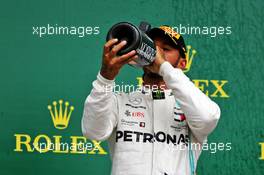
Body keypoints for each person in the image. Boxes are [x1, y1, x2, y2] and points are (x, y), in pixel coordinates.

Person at [82, 25, 221, 175]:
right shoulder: (120, 101)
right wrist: (105, 78)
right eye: (153, 47)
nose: (156, 53)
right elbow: (93, 132)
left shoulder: (191, 106)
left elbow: (208, 118)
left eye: (165, 49)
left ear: (182, 63)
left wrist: (164, 67)